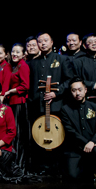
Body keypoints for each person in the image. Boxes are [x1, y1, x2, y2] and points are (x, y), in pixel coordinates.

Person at [27, 32, 74, 176]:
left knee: (57, 135)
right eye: (40, 41)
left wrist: (56, 92)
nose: (43, 44)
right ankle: (41, 166)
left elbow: (70, 80)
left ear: (52, 42)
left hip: (56, 105)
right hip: (36, 105)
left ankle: (58, 166)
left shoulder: (62, 59)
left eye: (45, 40)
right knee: (38, 136)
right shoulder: (32, 63)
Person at [59, 78, 96, 182]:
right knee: (73, 176)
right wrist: (87, 143)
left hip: (91, 148)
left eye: (80, 90)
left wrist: (93, 142)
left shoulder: (95, 108)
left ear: (85, 90)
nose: (77, 93)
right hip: (74, 149)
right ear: (70, 92)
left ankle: (91, 170)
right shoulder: (65, 109)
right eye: (74, 90)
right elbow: (70, 131)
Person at [3, 43, 31, 171]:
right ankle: (13, 162)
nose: (15, 54)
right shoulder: (14, 66)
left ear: (23, 54)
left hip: (19, 103)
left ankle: (19, 164)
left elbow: (25, 86)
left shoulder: (23, 66)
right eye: (13, 51)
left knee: (18, 135)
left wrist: (10, 92)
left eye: (18, 52)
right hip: (13, 103)